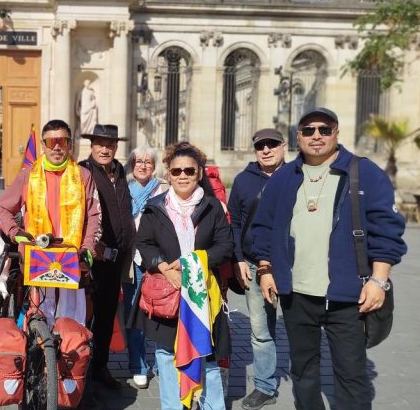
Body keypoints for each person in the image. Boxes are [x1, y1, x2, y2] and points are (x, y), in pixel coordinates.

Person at [252, 107, 407, 410]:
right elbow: (263, 227)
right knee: (303, 372)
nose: (316, 136)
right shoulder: (284, 176)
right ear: (298, 136)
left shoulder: (364, 172)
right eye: (308, 130)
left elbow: (387, 230)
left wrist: (379, 280)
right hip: (296, 294)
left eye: (324, 129)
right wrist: (266, 268)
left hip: (349, 295)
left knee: (351, 374)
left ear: (336, 133)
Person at [133, 141, 232, 410]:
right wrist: (165, 268)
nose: (183, 176)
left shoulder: (213, 207)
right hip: (169, 294)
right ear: (168, 174)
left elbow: (225, 246)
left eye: (189, 170)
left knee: (207, 354)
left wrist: (192, 263)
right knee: (166, 355)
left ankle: (212, 406)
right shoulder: (155, 206)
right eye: (177, 171)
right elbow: (144, 243)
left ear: (199, 173)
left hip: (203, 294)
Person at [0, 119, 101, 327]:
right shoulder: (28, 175)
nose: (57, 147)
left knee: (72, 323)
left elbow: (94, 215)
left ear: (70, 144)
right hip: (38, 258)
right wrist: (16, 233)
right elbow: (2, 207)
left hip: (72, 258)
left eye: (62, 141)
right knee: (40, 319)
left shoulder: (83, 175)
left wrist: (88, 248)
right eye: (51, 142)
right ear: (43, 145)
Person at [227, 128, 286, 410]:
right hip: (252, 264)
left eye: (272, 144)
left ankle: (306, 385)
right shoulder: (243, 180)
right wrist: (238, 258)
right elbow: (235, 223)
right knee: (261, 330)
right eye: (260, 145)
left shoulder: (298, 176)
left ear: (283, 146)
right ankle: (265, 387)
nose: (266, 150)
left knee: (302, 329)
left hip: (291, 266)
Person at [78, 124, 136, 390]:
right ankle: (79, 370)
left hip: (116, 257)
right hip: (92, 257)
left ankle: (99, 366)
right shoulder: (83, 171)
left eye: (110, 145)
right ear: (92, 146)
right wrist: (92, 245)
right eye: (100, 144)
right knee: (84, 316)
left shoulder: (120, 171)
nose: (105, 149)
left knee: (106, 315)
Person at [123, 145, 166, 390]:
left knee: (162, 312)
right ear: (132, 164)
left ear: (154, 166)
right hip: (133, 261)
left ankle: (162, 362)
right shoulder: (124, 188)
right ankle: (138, 366)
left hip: (159, 260)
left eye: (148, 162)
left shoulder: (164, 188)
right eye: (138, 161)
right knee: (134, 313)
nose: (143, 165)